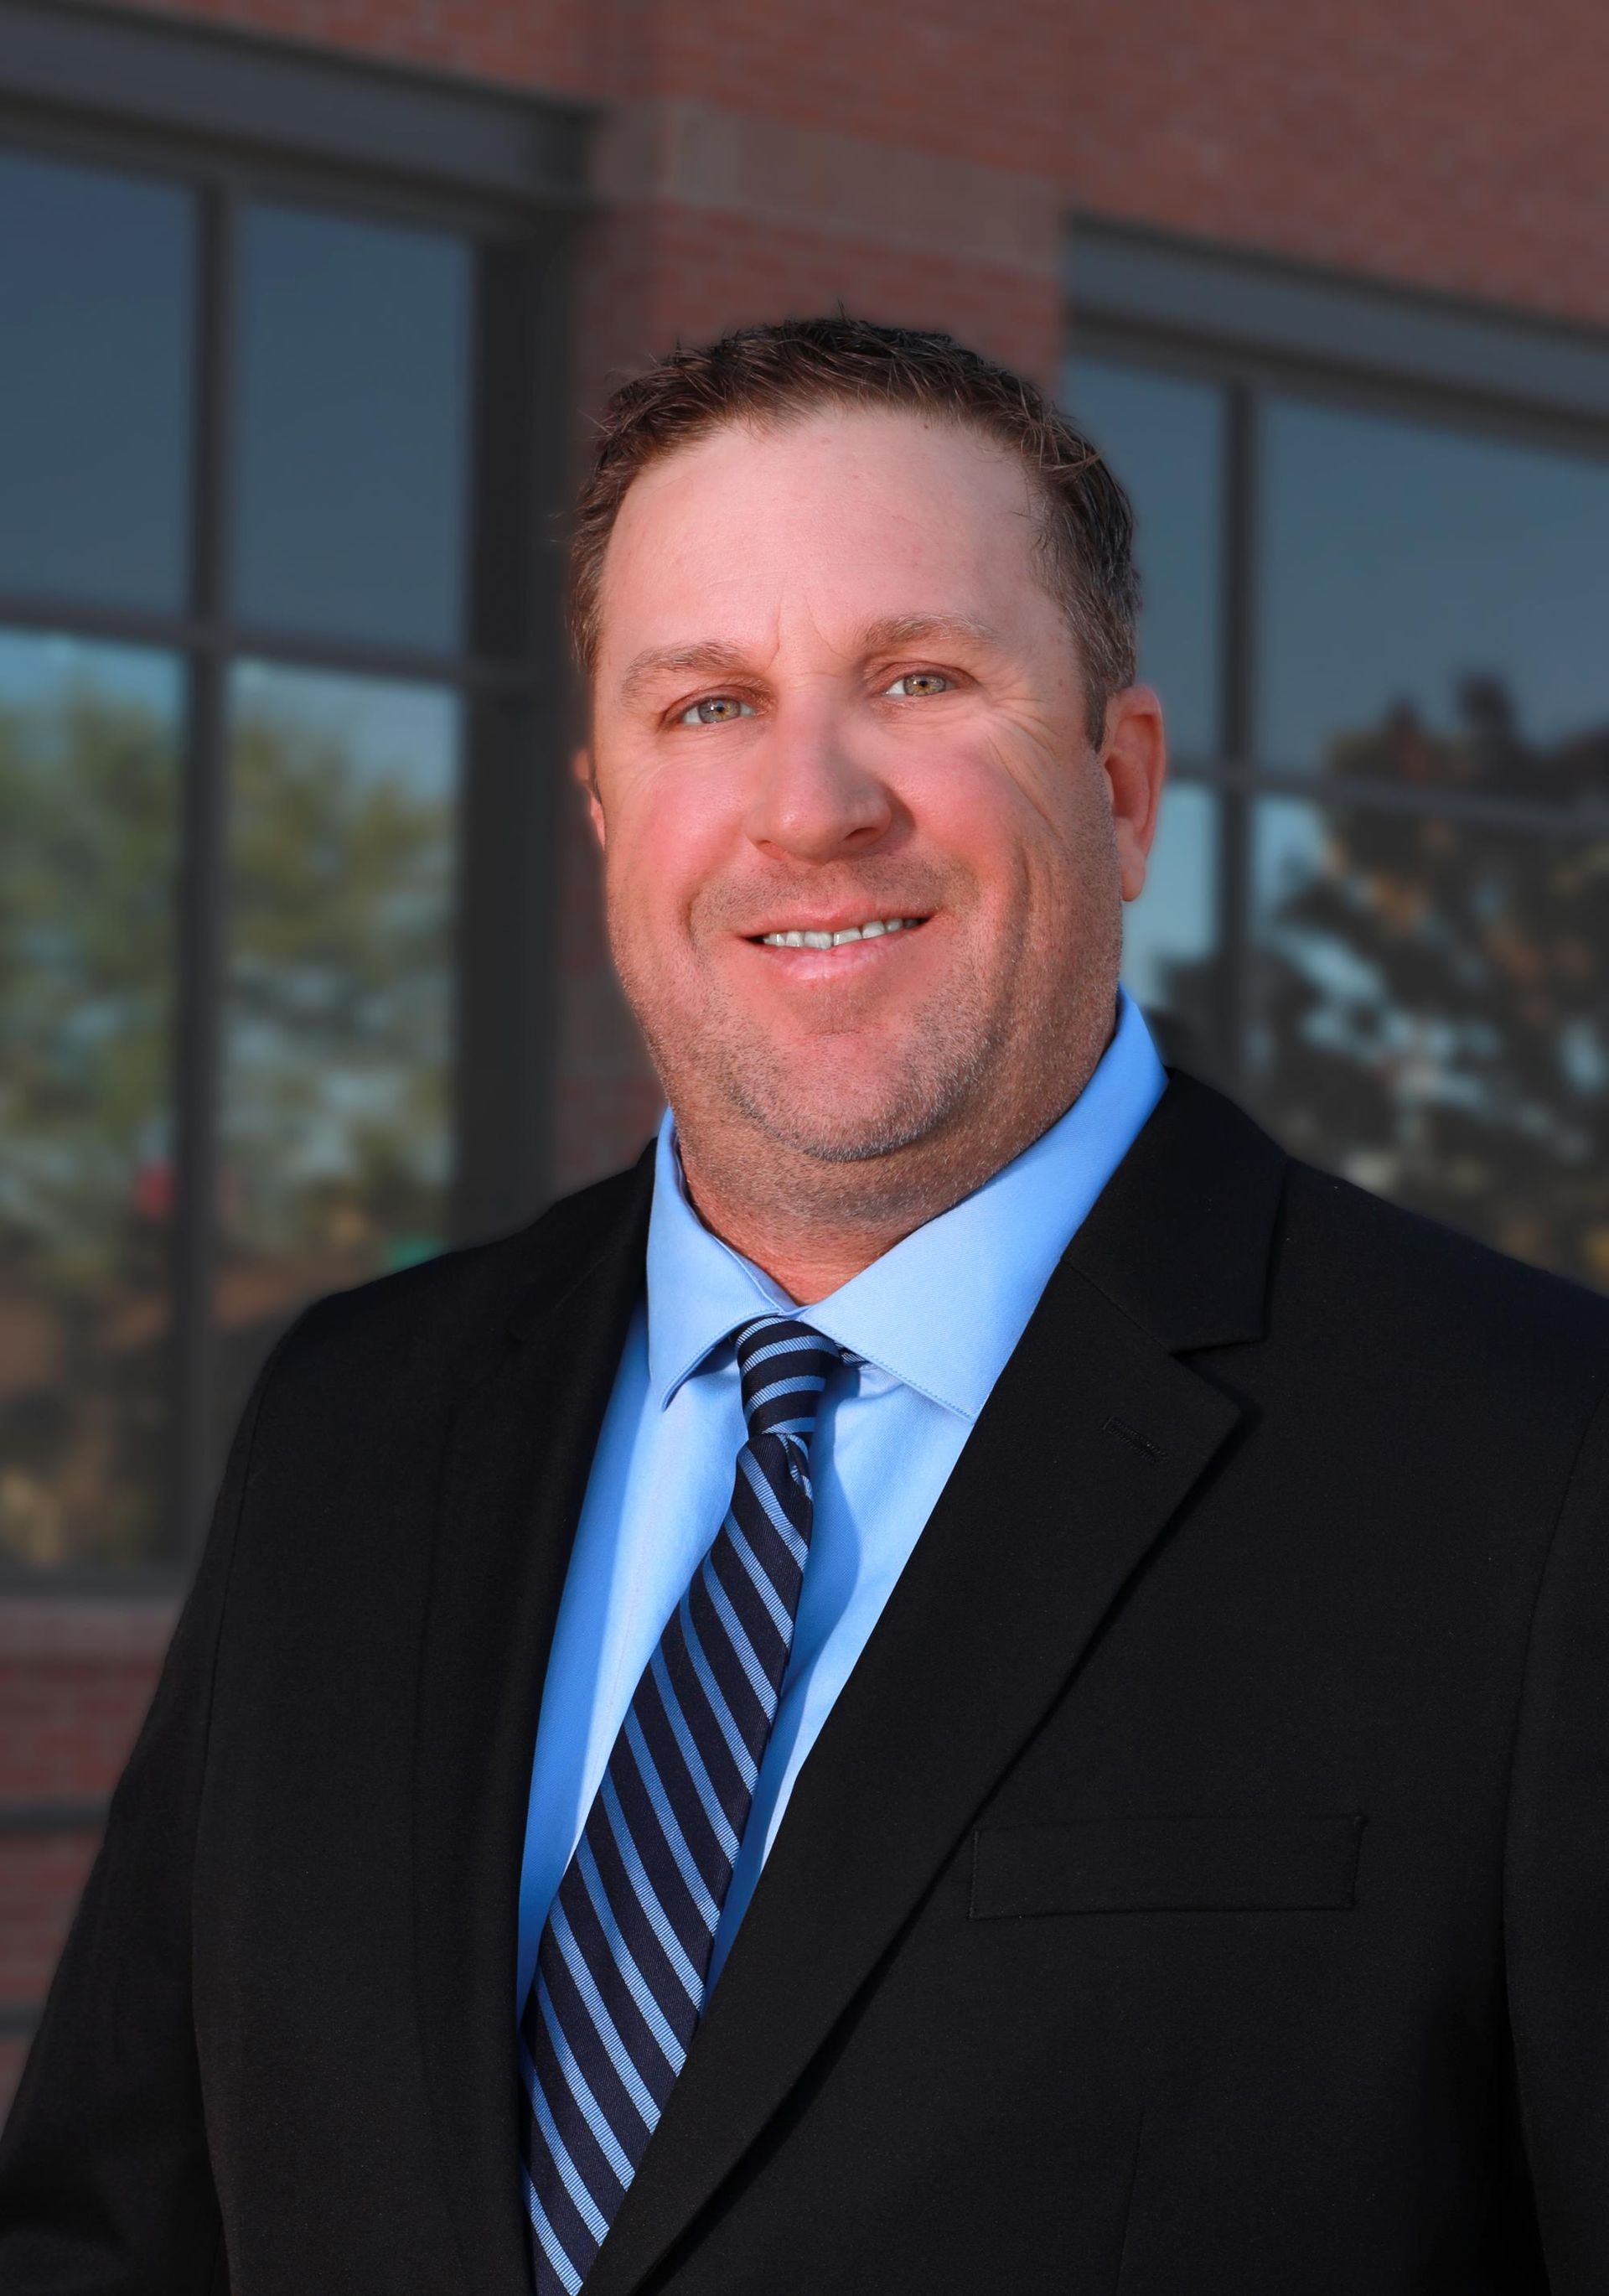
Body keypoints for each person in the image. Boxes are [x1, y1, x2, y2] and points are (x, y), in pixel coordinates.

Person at [2, 315, 1606, 2296]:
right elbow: (110, 2230)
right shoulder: (355, 1419)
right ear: (603, 815)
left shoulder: (1537, 1469)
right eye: (704, 707)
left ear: (1119, 783)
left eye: (918, 678)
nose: (810, 803)